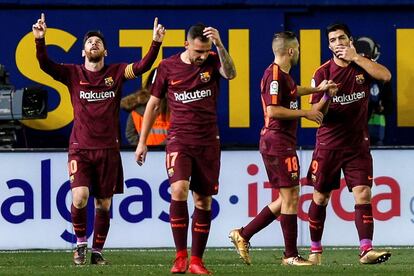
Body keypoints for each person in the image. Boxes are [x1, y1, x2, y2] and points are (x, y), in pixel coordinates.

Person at [32, 13, 165, 265]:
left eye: (98, 42)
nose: (94, 44)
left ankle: (97, 251)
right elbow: (45, 65)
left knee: (103, 204)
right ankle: (81, 244)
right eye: (90, 42)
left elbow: (142, 67)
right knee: (80, 196)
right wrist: (40, 40)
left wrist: (155, 42)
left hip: (108, 149)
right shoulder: (72, 73)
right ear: (83, 51)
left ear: (105, 51)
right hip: (80, 148)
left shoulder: (115, 73)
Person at [228, 31, 337, 266]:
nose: (298, 52)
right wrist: (306, 112)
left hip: (281, 141)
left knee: (287, 197)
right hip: (277, 141)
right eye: (297, 48)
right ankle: (290, 255)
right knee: (290, 197)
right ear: (290, 51)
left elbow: (294, 90)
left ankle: (243, 234)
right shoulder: (275, 75)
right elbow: (273, 111)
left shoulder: (283, 76)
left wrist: (319, 89)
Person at [135, 23, 236, 274]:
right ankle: (180, 256)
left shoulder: (213, 60)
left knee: (203, 200)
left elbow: (231, 74)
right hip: (179, 140)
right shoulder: (167, 67)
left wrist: (221, 45)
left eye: (206, 51)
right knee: (178, 190)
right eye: (198, 51)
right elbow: (153, 105)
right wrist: (142, 141)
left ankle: (196, 261)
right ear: (186, 45)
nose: (202, 56)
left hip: (208, 141)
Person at [305, 23, 392, 265]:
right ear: (329, 45)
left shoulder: (361, 64)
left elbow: (385, 76)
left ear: (350, 40)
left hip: (357, 145)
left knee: (363, 194)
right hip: (329, 145)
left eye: (342, 38)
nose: (338, 43)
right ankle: (315, 251)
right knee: (321, 198)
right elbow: (314, 113)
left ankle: (365, 250)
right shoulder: (322, 72)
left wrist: (356, 57)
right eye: (333, 40)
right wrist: (326, 96)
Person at [353, 37, 393, 146]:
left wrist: (381, 108)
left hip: (376, 130)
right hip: (355, 131)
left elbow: (389, 106)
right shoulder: (349, 75)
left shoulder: (382, 76)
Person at [120, 68, 169, 146]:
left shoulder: (136, 110)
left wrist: (141, 146)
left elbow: (130, 134)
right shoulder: (175, 109)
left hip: (144, 154)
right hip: (168, 152)